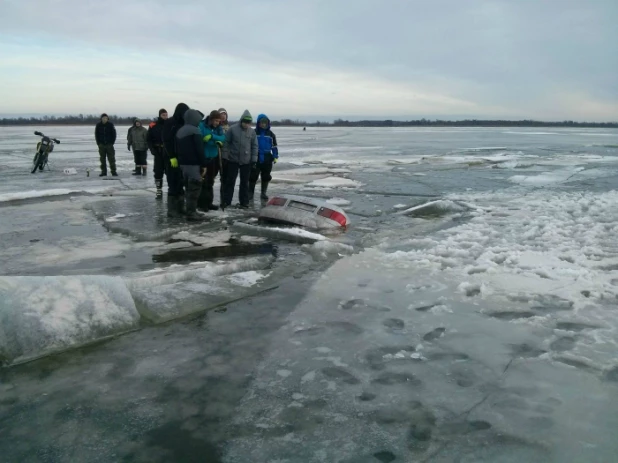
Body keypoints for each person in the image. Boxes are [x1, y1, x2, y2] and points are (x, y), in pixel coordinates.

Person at [221, 110, 257, 209]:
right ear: (241, 121)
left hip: (246, 161)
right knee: (230, 181)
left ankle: (244, 202)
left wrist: (254, 159)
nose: (246, 124)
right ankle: (226, 201)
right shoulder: (232, 129)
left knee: (244, 183)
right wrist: (225, 156)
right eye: (245, 122)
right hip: (233, 160)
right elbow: (226, 143)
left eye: (248, 123)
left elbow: (254, 146)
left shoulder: (252, 132)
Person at [175, 109, 207, 221]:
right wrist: (204, 164)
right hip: (193, 164)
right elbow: (199, 149)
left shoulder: (180, 130)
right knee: (194, 189)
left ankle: (190, 210)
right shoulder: (195, 131)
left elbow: (176, 148)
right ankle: (191, 212)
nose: (199, 122)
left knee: (188, 189)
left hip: (183, 164)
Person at [162, 103, 189, 217]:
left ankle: (180, 207)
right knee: (173, 183)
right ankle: (172, 210)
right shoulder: (170, 123)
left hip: (182, 158)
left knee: (181, 182)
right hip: (171, 158)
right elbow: (166, 140)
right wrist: (171, 156)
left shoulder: (184, 123)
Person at [198, 110, 225, 211]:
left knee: (210, 181)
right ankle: (201, 204)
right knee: (203, 182)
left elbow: (223, 138)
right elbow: (201, 138)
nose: (217, 123)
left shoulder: (218, 128)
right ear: (211, 119)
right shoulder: (202, 125)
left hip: (214, 157)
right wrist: (213, 141)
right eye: (216, 120)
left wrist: (213, 137)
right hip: (204, 157)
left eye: (218, 121)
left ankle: (209, 202)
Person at [250, 114, 279, 201]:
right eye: (262, 123)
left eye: (265, 123)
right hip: (256, 156)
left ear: (268, 124)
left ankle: (263, 193)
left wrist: (275, 156)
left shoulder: (271, 134)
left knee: (266, 176)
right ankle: (250, 193)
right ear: (258, 123)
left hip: (267, 157)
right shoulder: (253, 133)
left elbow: (274, 146)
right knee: (253, 176)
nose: (263, 125)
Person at [147, 108, 168, 199]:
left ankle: (172, 189)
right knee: (158, 171)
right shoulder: (153, 125)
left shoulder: (169, 124)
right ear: (160, 115)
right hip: (158, 151)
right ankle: (159, 190)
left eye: (166, 115)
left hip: (168, 152)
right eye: (163, 115)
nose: (165, 117)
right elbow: (149, 139)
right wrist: (152, 149)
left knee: (169, 171)